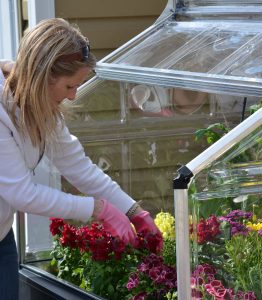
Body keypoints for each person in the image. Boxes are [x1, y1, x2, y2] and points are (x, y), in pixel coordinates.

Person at [0, 18, 162, 300]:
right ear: (41, 76)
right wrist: (99, 209)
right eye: (68, 87)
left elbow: (80, 168)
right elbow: (21, 193)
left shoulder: (40, 105)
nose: (73, 96)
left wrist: (133, 211)